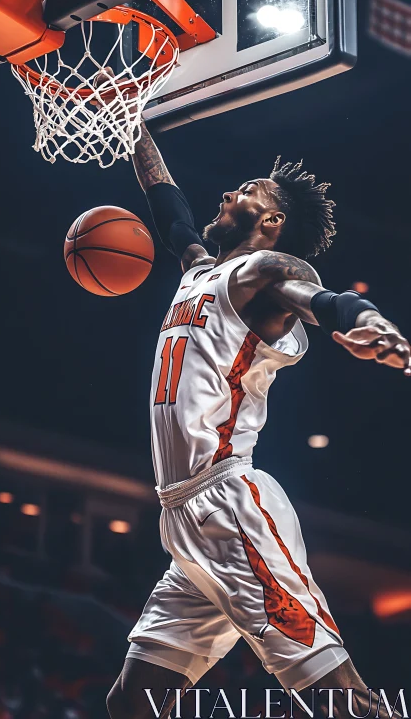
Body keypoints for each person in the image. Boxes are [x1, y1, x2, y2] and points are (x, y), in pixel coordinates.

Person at [106, 122, 410, 719]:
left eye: (247, 190)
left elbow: (321, 301)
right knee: (133, 704)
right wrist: (129, 120)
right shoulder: (199, 270)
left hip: (229, 506)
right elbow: (168, 207)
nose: (228, 193)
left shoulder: (266, 272)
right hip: (184, 520)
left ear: (272, 221)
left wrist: (366, 320)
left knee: (336, 701)